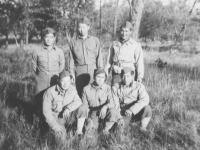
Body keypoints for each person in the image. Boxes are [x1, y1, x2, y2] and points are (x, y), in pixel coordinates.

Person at [43, 70, 87, 140]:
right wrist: (55, 126)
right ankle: (64, 131)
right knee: (62, 141)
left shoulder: (72, 89)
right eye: (63, 81)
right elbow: (46, 112)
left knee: (83, 108)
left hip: (68, 116)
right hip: (57, 119)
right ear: (58, 80)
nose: (65, 84)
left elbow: (78, 101)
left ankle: (78, 132)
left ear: (70, 81)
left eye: (68, 81)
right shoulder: (50, 92)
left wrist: (68, 108)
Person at [68, 16, 103, 97]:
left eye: (84, 27)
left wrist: (100, 72)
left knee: (94, 92)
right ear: (77, 28)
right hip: (79, 70)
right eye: (79, 27)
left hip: (93, 70)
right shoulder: (73, 42)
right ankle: (83, 109)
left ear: (88, 27)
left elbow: (99, 58)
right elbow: (71, 60)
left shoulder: (95, 40)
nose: (81, 29)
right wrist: (71, 73)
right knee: (81, 92)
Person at [111, 67, 152, 133]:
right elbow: (115, 104)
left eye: (128, 76)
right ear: (121, 77)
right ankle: (125, 123)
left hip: (136, 111)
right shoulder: (116, 87)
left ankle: (142, 128)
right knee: (118, 131)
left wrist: (131, 110)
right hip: (123, 113)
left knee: (147, 108)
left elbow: (145, 99)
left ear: (132, 77)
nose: (126, 79)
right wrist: (119, 117)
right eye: (124, 76)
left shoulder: (139, 86)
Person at [105, 21, 144, 86]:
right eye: (122, 31)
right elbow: (108, 62)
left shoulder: (136, 45)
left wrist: (140, 77)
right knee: (115, 93)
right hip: (117, 74)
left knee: (129, 94)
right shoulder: (114, 44)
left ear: (130, 32)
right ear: (120, 31)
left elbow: (139, 62)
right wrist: (105, 74)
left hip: (129, 75)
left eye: (126, 31)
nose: (124, 33)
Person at [82, 68, 117, 134]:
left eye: (102, 77)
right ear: (94, 77)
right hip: (93, 113)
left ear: (105, 78)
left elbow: (112, 103)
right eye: (98, 77)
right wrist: (88, 119)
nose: (100, 79)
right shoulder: (86, 89)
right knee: (90, 132)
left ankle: (106, 129)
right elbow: (85, 107)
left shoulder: (107, 88)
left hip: (105, 111)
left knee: (113, 111)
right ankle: (96, 125)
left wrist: (105, 107)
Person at [32, 27, 65, 95]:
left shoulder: (59, 51)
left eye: (51, 37)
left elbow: (62, 65)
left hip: (55, 78)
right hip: (41, 79)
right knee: (40, 98)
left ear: (54, 38)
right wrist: (41, 74)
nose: (49, 39)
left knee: (55, 98)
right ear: (43, 38)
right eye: (46, 37)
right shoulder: (37, 52)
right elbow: (34, 65)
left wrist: (56, 73)